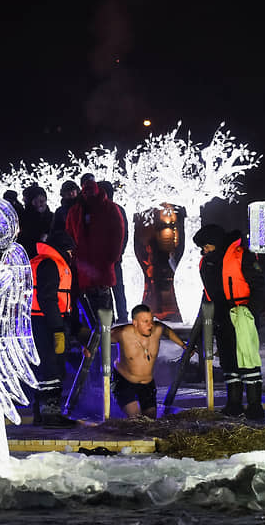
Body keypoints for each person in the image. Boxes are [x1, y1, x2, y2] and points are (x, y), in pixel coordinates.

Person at [65, 173, 125, 418]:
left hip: (99, 274)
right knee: (92, 330)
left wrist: (109, 260)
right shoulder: (76, 211)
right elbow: (71, 234)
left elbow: (118, 236)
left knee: (103, 330)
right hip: (82, 275)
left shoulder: (108, 209)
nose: (87, 192)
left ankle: (109, 380)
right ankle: (95, 380)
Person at [193, 223, 265, 420]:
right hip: (221, 316)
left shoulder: (242, 255)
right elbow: (208, 292)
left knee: (247, 357)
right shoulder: (208, 263)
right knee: (228, 360)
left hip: (242, 313)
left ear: (214, 242)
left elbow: (258, 284)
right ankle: (233, 404)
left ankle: (254, 405)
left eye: (206, 246)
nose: (203, 250)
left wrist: (250, 311)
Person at [30, 230, 79, 427]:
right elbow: (47, 298)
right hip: (46, 323)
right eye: (70, 251)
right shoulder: (50, 264)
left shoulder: (43, 261)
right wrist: (58, 327)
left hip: (42, 320)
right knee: (52, 367)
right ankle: (51, 414)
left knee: (46, 367)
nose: (72, 256)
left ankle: (41, 413)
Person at [109, 304, 186, 418]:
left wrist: (183, 345)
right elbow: (101, 336)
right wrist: (87, 347)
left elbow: (167, 331)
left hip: (147, 384)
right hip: (124, 381)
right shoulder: (122, 333)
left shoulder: (157, 329)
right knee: (136, 419)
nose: (150, 325)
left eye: (151, 320)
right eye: (145, 321)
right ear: (135, 323)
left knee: (150, 421)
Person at [98, 180, 129, 324]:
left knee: (109, 288)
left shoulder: (107, 209)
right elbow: (124, 234)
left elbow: (123, 234)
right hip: (113, 256)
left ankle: (116, 317)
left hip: (109, 257)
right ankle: (121, 316)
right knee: (117, 288)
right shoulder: (117, 209)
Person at [17, 184, 53, 259]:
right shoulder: (22, 219)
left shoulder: (52, 217)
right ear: (30, 202)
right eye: (38, 200)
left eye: (43, 200)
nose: (42, 203)